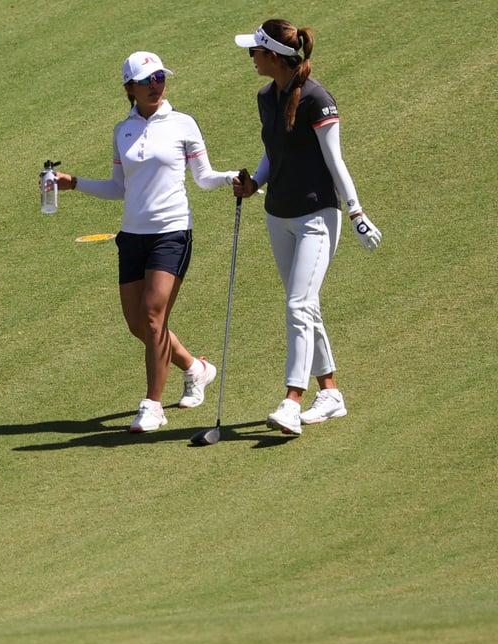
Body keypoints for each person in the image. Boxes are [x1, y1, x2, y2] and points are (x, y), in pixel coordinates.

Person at [50, 51, 237, 432]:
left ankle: (153, 405)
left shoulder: (184, 124)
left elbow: (202, 177)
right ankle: (195, 368)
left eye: (160, 78)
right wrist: (76, 184)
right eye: (147, 81)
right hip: (132, 237)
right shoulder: (124, 131)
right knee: (138, 325)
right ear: (130, 88)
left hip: (171, 233)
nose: (156, 86)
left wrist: (232, 177)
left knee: (153, 318)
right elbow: (120, 188)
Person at [232, 20, 383, 435]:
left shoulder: (317, 99)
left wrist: (355, 212)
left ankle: (291, 400)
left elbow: (336, 161)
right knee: (306, 306)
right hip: (277, 216)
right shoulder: (266, 96)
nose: (251, 58)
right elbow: (272, 152)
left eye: (255, 52)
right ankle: (330, 392)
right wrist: (254, 184)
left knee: (298, 306)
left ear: (273, 57)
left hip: (318, 218)